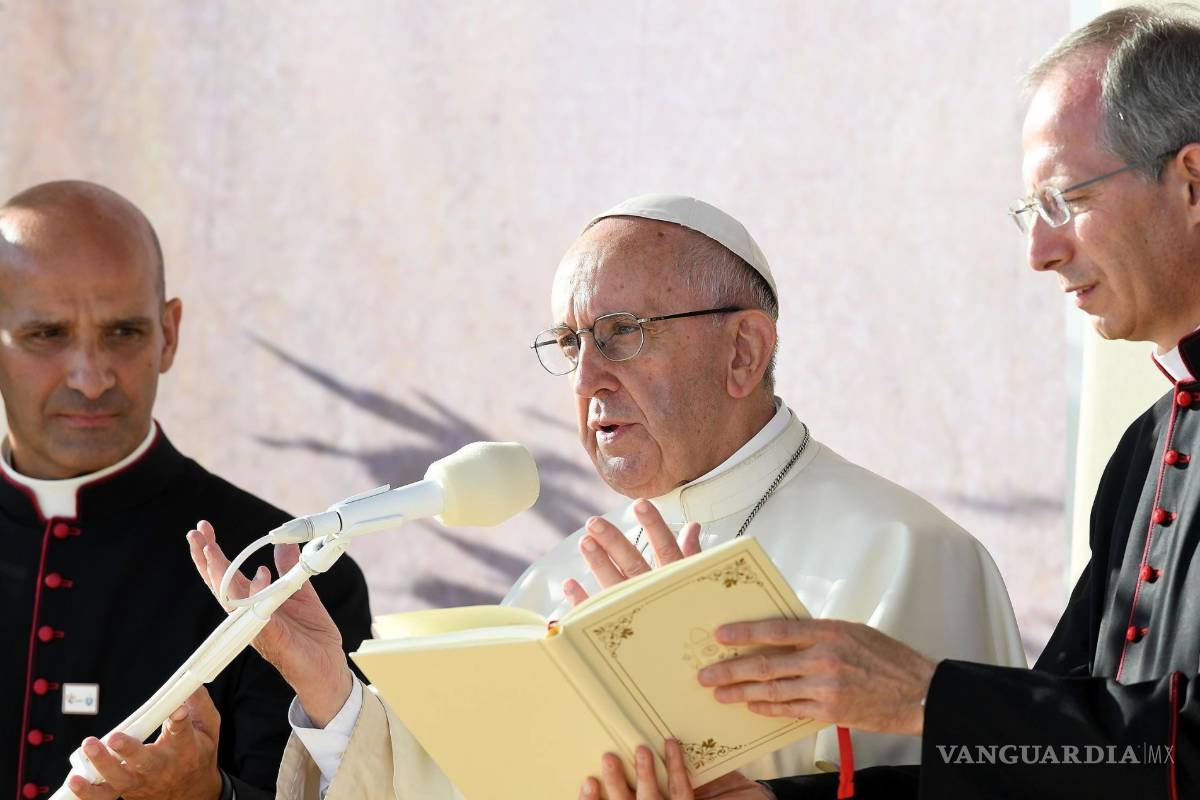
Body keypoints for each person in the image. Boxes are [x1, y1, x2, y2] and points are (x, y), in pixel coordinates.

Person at [188, 193, 1025, 799]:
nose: (587, 377)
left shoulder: (903, 554)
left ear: (743, 352)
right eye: (568, 343)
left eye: (622, 334)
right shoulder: (555, 582)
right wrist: (331, 692)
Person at [685, 6, 1200, 798]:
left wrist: (927, 696)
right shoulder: (1146, 447)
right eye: (1032, 214)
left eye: (1065, 201)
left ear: (1192, 182)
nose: (1040, 253)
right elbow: (1053, 761)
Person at [0, 181, 373, 800]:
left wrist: (210, 795)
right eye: (47, 334)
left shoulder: (293, 580)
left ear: (168, 334)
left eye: (124, 332)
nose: (91, 379)